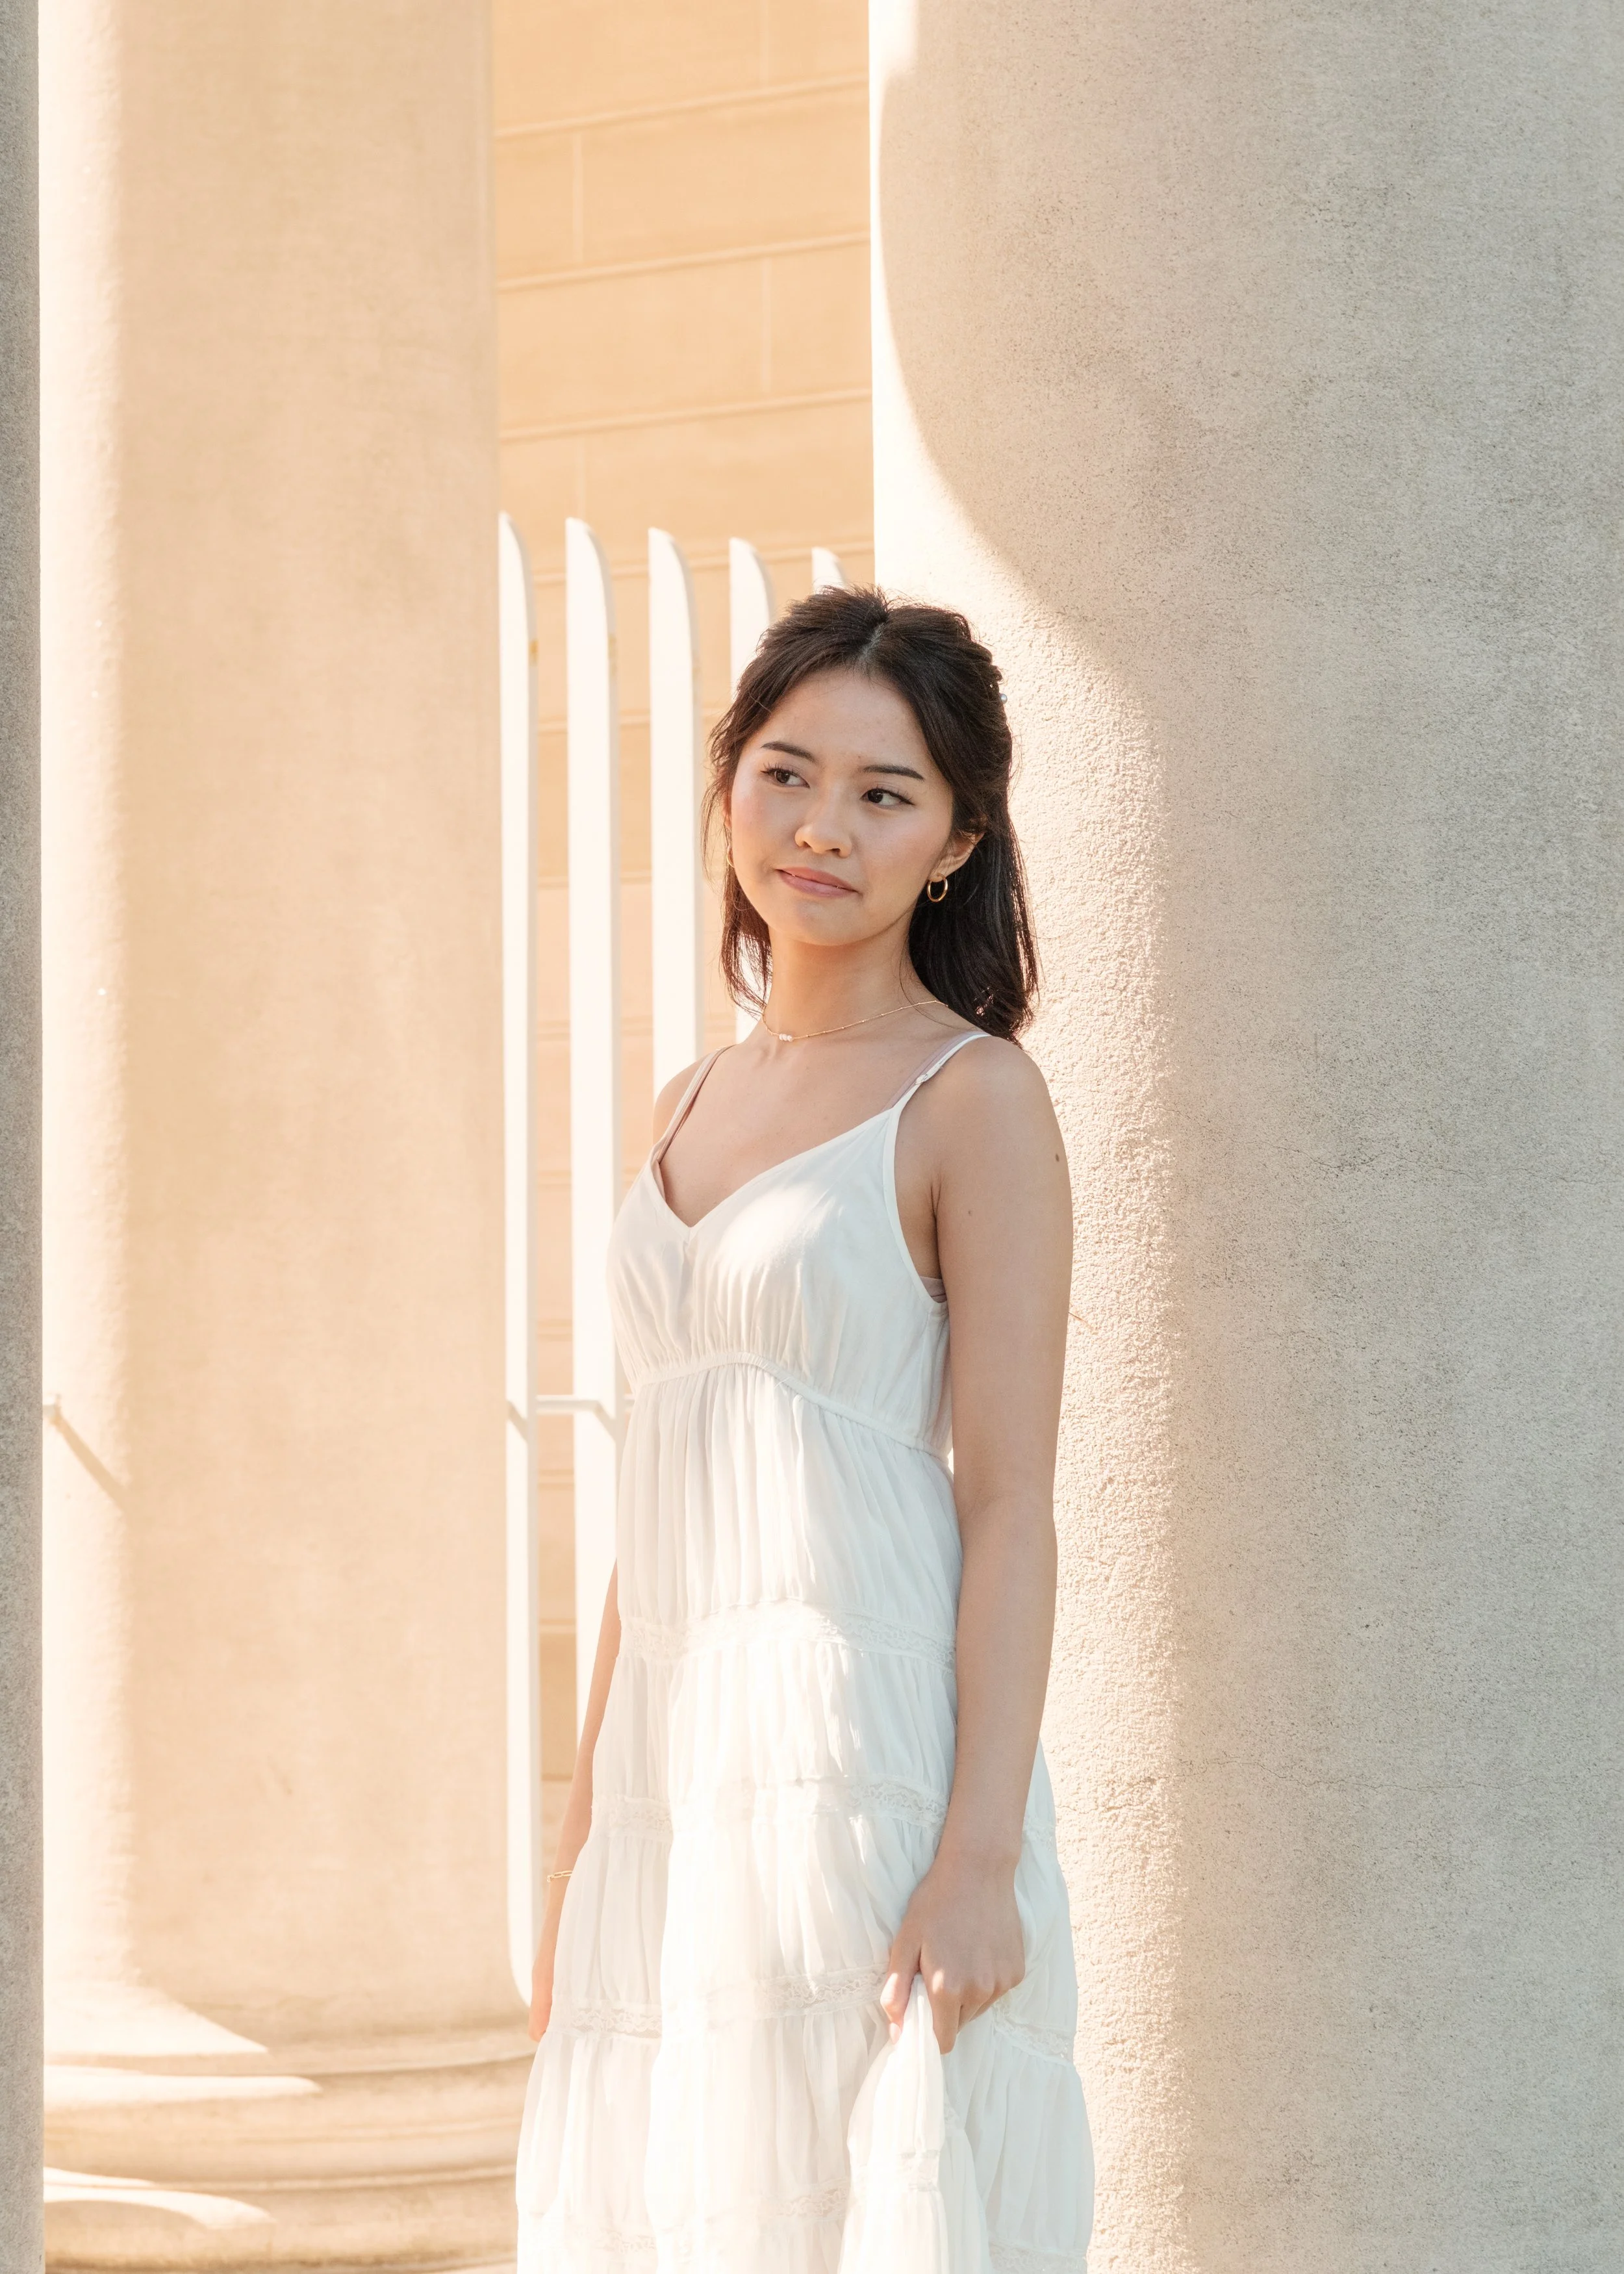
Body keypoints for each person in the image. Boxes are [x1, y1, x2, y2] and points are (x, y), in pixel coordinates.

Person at [516, 587, 1093, 2271]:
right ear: (727, 788)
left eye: (881, 792)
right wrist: (578, 1847)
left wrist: (976, 1850)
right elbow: (656, 1503)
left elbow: (1010, 1508)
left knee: (861, 2207)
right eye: (784, 771)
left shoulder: (972, 1099)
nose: (819, 826)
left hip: (866, 1759)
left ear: (956, 837)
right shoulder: (681, 1104)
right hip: (675, 1783)